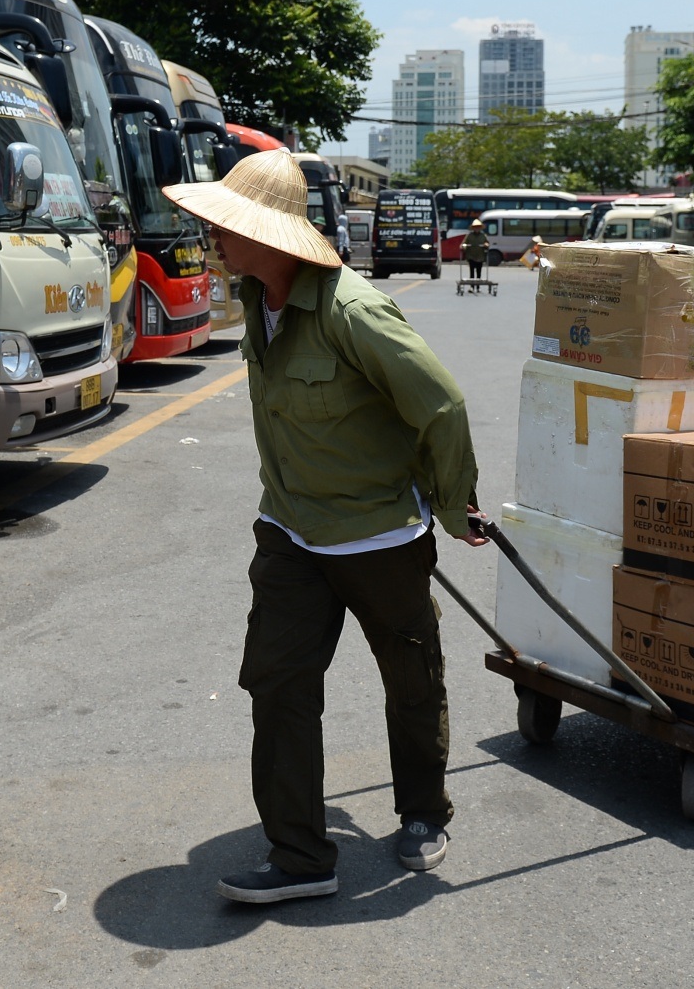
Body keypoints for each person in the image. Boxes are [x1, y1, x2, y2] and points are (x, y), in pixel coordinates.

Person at [163, 151, 490, 903]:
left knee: (411, 681)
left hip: (378, 536)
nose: (213, 235)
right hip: (290, 531)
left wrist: (450, 503)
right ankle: (301, 856)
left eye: (228, 226)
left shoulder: (352, 310)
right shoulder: (254, 298)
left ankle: (422, 812)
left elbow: (441, 405)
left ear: (275, 238)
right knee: (276, 682)